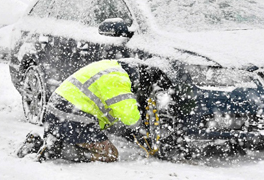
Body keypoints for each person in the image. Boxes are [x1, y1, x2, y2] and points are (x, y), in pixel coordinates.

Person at [16, 59, 162, 163]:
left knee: (67, 136)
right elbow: (130, 116)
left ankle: (39, 143)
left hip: (56, 111)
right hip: (73, 117)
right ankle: (57, 151)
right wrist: (144, 131)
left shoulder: (110, 66)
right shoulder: (118, 80)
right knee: (110, 154)